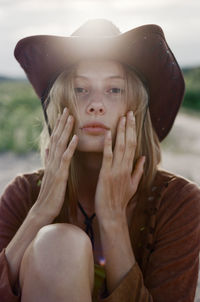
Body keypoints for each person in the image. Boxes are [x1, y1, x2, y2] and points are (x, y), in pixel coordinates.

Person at [0, 19, 200, 302]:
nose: (96, 104)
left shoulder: (179, 201)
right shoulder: (23, 194)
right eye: (80, 89)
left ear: (136, 107)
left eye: (114, 90)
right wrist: (40, 213)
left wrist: (113, 220)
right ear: (60, 105)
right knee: (59, 243)